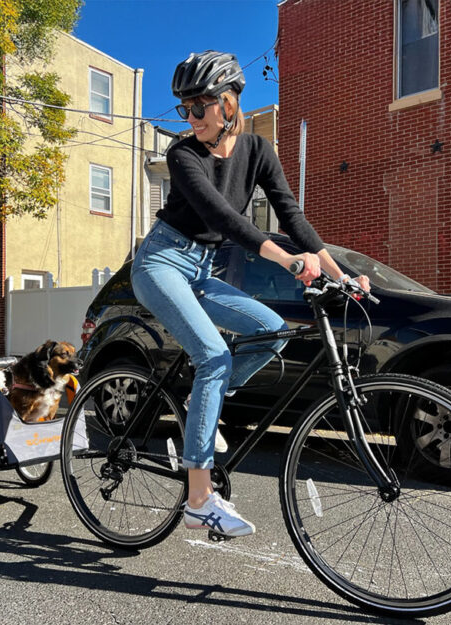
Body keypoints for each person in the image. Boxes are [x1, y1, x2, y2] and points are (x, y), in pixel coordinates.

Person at [131, 50, 369, 538]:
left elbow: (292, 217)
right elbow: (223, 218)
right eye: (185, 108)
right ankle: (199, 500)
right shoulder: (183, 155)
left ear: (231, 101)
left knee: (270, 330)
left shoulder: (259, 152)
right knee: (214, 355)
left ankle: (206, 403)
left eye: (201, 106)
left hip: (197, 271)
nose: (192, 117)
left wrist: (338, 273)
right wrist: (284, 260)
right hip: (159, 263)